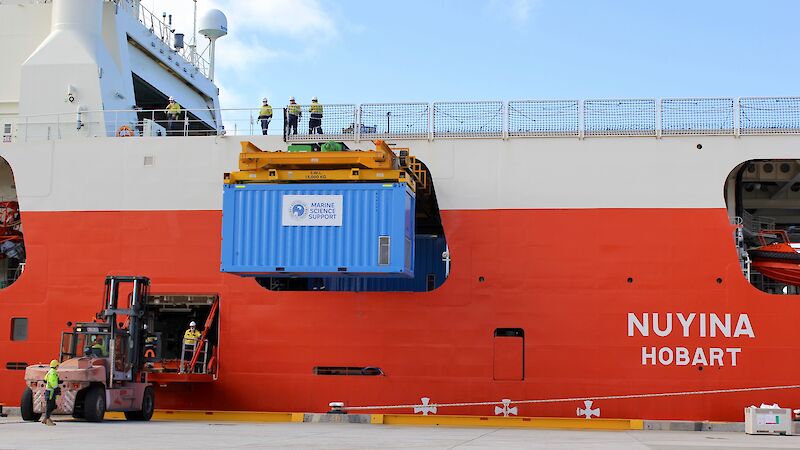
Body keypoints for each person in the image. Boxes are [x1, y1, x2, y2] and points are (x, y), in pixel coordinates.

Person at [42, 359, 59, 426]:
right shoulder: (53, 372)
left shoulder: (50, 371)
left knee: (51, 405)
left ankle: (46, 419)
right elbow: (52, 381)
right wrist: (56, 387)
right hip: (51, 391)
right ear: (56, 365)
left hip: (48, 390)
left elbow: (45, 379)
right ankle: (47, 419)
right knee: (51, 406)